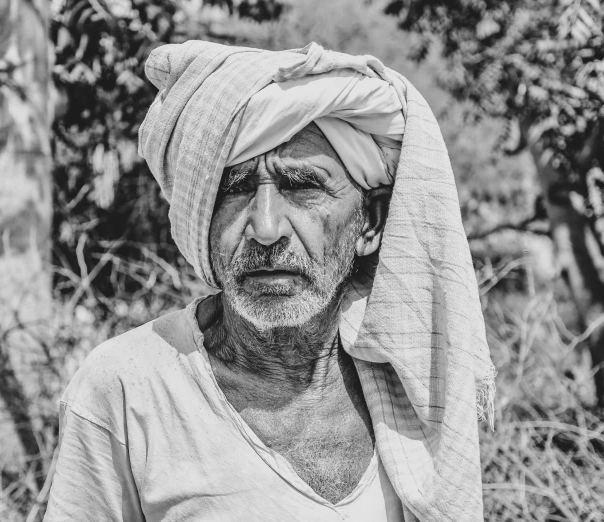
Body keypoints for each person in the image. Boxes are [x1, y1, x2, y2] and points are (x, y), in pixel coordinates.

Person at [44, 41, 496, 522]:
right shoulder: (128, 386)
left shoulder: (411, 381)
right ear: (202, 218)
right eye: (235, 190)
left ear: (371, 223)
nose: (265, 228)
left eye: (301, 186)